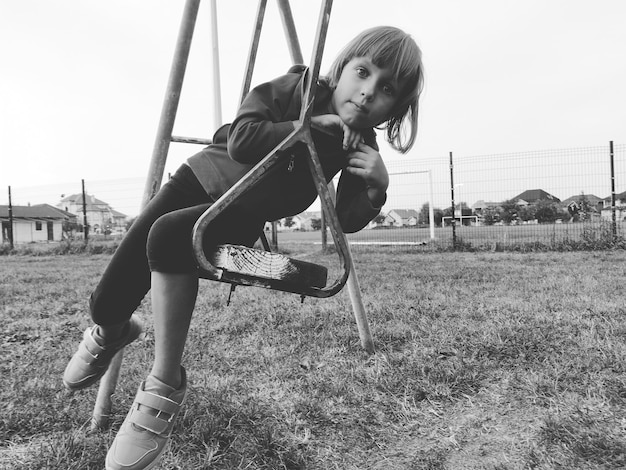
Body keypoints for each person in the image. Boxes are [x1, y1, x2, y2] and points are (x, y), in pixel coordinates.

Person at [63, 25, 424, 470]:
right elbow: (242, 138)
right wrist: (305, 126)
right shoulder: (298, 88)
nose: (367, 92)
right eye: (363, 72)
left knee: (169, 235)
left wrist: (376, 186)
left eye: (386, 89)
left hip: (239, 214)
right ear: (342, 67)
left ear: (397, 108)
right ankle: (112, 329)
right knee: (109, 298)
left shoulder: (359, 145)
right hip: (196, 180)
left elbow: (346, 219)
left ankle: (165, 382)